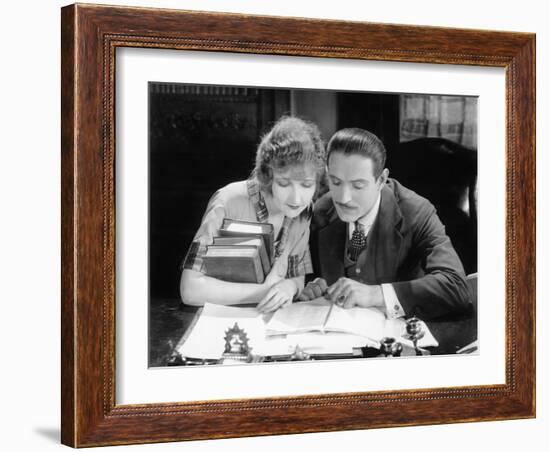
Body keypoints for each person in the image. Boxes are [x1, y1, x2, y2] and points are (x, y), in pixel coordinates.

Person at [299, 128, 471, 320]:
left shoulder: (416, 211)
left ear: (381, 180)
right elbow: (304, 275)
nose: (343, 198)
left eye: (358, 186)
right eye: (336, 182)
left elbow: (456, 287)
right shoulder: (321, 211)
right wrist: (309, 287)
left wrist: (375, 294)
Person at [180, 116, 326, 313]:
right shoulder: (228, 200)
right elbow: (190, 290)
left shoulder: (303, 211)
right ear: (267, 174)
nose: (297, 198)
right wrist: (263, 291)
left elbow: (295, 275)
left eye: (307, 185)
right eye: (284, 183)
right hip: (216, 323)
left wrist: (290, 287)